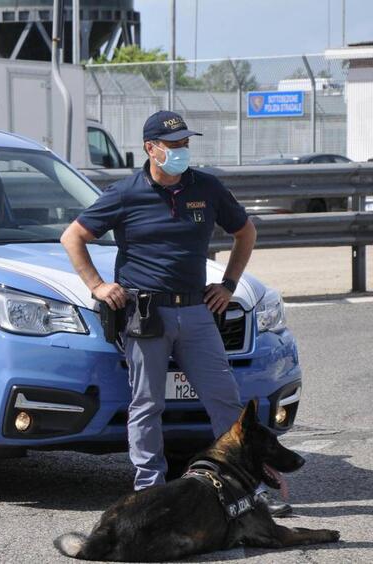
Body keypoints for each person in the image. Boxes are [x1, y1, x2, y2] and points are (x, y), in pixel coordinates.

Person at [60, 110, 292, 517]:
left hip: (197, 312)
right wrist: (97, 286)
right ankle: (149, 492)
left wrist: (229, 285)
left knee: (225, 401)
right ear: (151, 149)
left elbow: (246, 231)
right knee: (147, 405)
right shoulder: (126, 192)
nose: (182, 151)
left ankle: (247, 490)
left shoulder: (206, 187)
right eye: (173, 145)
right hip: (146, 314)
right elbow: (74, 236)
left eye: (186, 143)